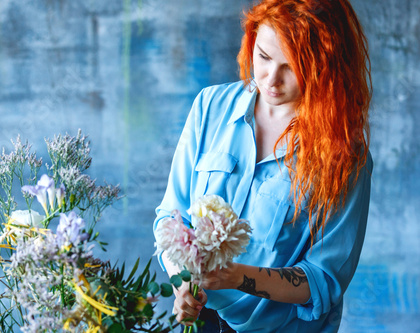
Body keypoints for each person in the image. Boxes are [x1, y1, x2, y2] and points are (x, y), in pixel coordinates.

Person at [153, 0, 373, 332]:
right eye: (264, 57)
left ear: (325, 66)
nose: (271, 79)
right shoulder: (210, 106)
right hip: (200, 320)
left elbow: (323, 281)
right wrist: (180, 280)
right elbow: (171, 217)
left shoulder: (344, 156)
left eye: (292, 66)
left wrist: (237, 277)